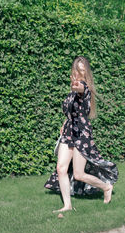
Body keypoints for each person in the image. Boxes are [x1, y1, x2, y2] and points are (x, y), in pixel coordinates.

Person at [44, 56, 118, 212]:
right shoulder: (71, 94)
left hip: (81, 134)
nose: (78, 72)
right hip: (69, 131)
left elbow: (78, 89)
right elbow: (72, 111)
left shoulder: (84, 87)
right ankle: (67, 206)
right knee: (61, 168)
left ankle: (106, 186)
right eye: (76, 69)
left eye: (82, 70)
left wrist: (76, 86)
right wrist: (65, 123)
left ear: (85, 72)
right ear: (73, 70)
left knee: (78, 174)